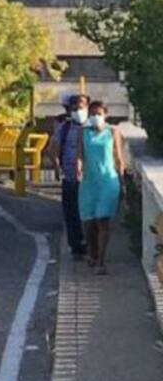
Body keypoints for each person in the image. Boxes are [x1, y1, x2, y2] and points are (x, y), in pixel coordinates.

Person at [78, 100, 125, 275]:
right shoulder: (82, 133)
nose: (95, 117)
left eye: (98, 113)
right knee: (89, 222)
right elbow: (80, 155)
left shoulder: (113, 132)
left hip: (108, 180)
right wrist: (78, 167)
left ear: (105, 115)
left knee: (103, 220)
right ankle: (92, 253)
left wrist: (122, 182)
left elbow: (119, 159)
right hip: (89, 182)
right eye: (92, 114)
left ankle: (101, 261)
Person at [47, 93, 89, 260]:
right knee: (71, 213)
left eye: (81, 108)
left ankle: (90, 245)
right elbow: (52, 149)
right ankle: (76, 247)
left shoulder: (93, 128)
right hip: (70, 177)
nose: (78, 111)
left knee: (89, 214)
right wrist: (57, 168)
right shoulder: (64, 128)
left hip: (90, 178)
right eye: (74, 109)